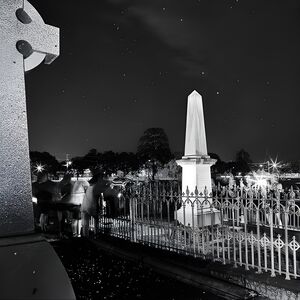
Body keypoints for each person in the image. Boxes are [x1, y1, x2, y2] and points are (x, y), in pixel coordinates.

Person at [81, 170, 110, 237]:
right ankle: (96, 234)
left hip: (84, 205)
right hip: (91, 206)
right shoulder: (96, 187)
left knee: (85, 223)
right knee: (96, 220)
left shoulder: (90, 187)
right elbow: (103, 190)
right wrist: (108, 183)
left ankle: (86, 236)